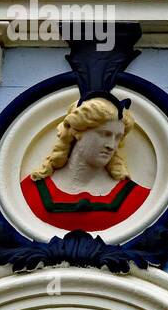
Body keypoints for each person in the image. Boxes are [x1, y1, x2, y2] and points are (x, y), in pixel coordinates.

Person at [20, 97, 150, 232]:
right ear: (77, 132)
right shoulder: (30, 192)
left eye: (118, 137)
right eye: (104, 134)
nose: (112, 146)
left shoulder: (137, 198)